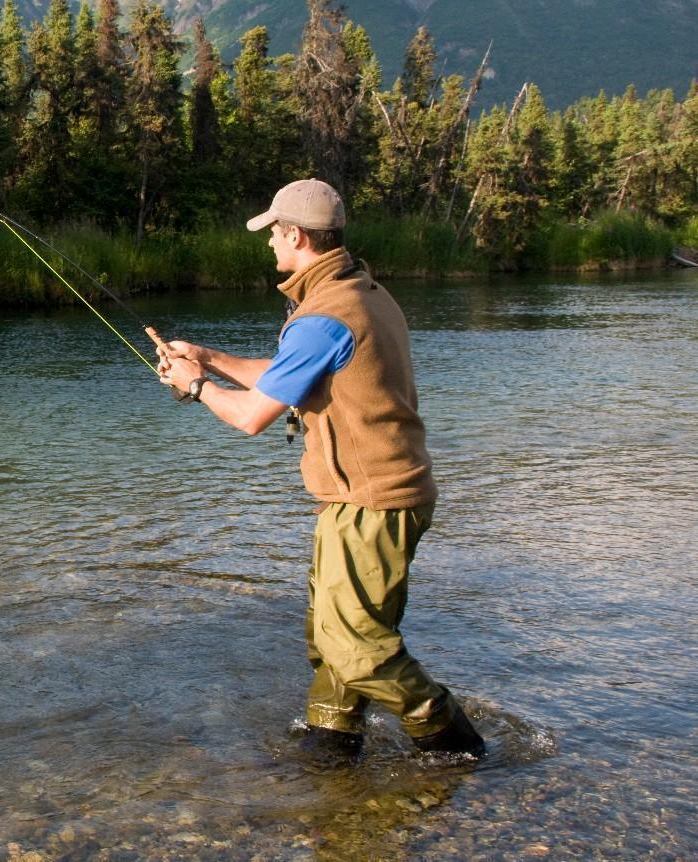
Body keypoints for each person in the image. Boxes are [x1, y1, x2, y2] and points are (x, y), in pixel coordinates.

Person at [157, 178, 485, 763]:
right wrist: (210, 357)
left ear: (299, 236)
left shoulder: (325, 317)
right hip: (375, 494)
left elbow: (253, 416)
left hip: (372, 500)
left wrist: (196, 386)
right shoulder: (360, 292)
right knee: (331, 631)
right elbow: (292, 373)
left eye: (274, 234)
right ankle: (331, 740)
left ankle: (452, 741)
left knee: (353, 640)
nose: (269, 245)